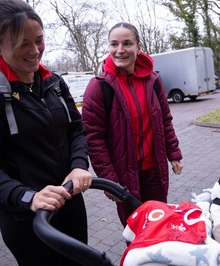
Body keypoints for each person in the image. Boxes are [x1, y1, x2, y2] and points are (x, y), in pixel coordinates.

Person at [0, 0, 92, 265]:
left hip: (71, 207)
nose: (35, 51)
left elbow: (76, 130)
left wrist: (79, 166)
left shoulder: (54, 82)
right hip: (29, 220)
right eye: (23, 43)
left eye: (39, 40)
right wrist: (29, 197)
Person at [82, 22, 183, 226]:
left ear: (138, 46)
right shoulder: (99, 86)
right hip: (124, 176)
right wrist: (109, 181)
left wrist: (174, 153)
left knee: (159, 223)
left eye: (127, 43)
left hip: (154, 170)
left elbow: (165, 119)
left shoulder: (153, 81)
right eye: (114, 44)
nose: (120, 50)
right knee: (136, 230)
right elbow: (93, 138)